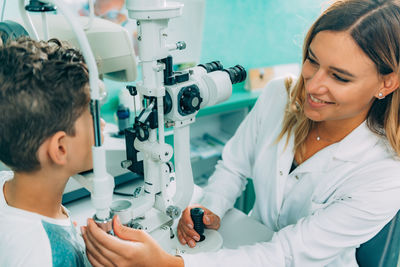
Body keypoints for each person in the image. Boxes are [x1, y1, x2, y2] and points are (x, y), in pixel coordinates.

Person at [82, 0, 400, 266]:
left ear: (387, 83)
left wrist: (170, 264)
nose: (313, 86)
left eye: (340, 77)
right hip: (250, 243)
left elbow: (287, 254)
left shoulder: (385, 173)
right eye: (312, 61)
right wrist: (213, 205)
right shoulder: (280, 95)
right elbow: (234, 166)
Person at [0, 37, 104, 266]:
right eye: (93, 115)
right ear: (59, 148)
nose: (102, 124)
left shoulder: (7, 185)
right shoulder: (43, 257)